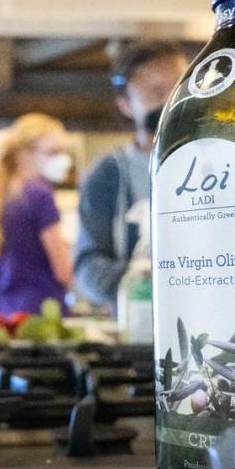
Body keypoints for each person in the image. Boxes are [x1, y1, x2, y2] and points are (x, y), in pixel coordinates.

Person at [74, 41, 188, 306]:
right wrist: (148, 279)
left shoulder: (220, 161)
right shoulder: (107, 176)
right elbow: (87, 267)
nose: (172, 102)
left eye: (180, 87)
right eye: (157, 93)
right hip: (137, 331)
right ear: (126, 105)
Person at [0, 114, 74, 317]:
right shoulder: (40, 194)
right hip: (41, 315)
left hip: (4, 313)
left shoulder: (2, 195)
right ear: (24, 155)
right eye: (53, 152)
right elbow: (63, 271)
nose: (63, 160)